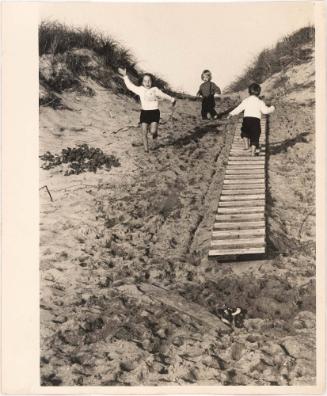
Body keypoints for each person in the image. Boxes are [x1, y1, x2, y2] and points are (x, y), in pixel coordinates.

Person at [118, 68, 176, 152]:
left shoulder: (155, 89)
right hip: (144, 113)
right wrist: (125, 76)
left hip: (154, 112)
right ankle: (146, 150)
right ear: (142, 82)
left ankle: (155, 134)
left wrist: (172, 99)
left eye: (149, 81)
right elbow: (130, 86)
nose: (147, 83)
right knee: (144, 132)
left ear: (152, 82)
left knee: (152, 131)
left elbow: (163, 95)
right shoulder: (140, 89)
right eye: (145, 81)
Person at [228, 83, 275, 156]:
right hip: (255, 121)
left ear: (249, 92)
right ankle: (253, 152)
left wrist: (231, 113)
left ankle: (246, 146)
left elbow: (239, 108)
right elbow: (265, 111)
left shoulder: (246, 101)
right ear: (259, 92)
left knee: (245, 132)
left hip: (247, 120)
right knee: (255, 136)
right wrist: (272, 108)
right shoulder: (260, 102)